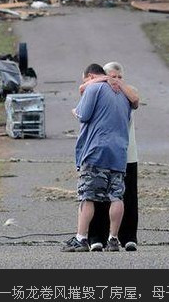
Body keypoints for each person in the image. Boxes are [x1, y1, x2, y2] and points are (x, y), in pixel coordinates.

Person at [62, 63, 132, 252]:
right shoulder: (123, 94)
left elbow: (84, 115)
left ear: (91, 76)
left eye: (85, 80)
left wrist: (75, 111)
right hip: (119, 151)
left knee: (88, 196)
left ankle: (81, 238)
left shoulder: (94, 87)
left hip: (96, 150)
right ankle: (113, 239)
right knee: (116, 196)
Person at [80, 62, 140, 252]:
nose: (115, 80)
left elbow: (135, 100)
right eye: (111, 76)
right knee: (100, 197)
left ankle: (126, 237)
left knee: (123, 196)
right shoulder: (100, 90)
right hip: (111, 152)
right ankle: (98, 237)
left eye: (119, 77)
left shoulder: (127, 92)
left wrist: (114, 82)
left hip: (124, 153)